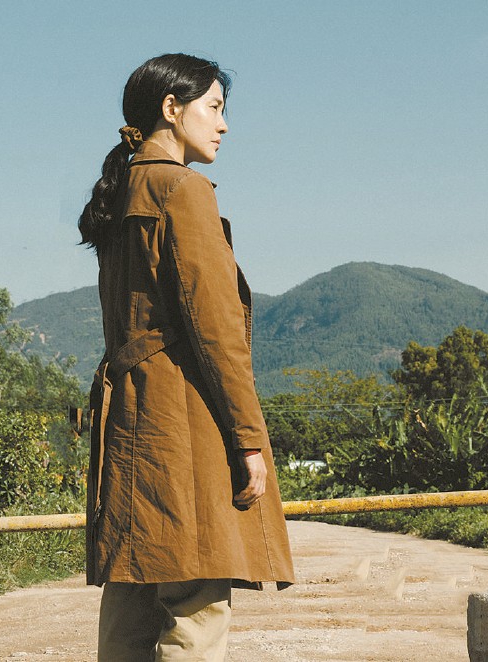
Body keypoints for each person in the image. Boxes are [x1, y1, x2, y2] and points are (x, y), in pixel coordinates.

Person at [79, 53, 295, 661]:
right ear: (171, 109)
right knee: (197, 600)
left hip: (129, 417)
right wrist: (247, 439)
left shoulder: (122, 191)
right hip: (181, 418)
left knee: (133, 593)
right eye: (215, 107)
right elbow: (217, 332)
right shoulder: (183, 189)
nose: (223, 125)